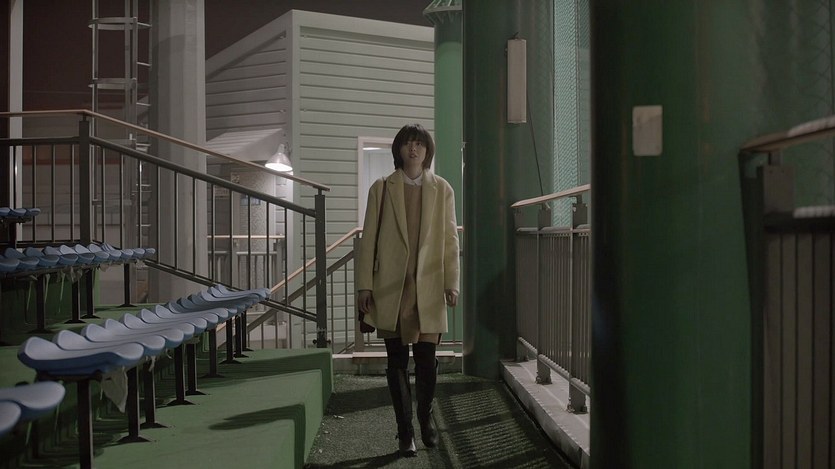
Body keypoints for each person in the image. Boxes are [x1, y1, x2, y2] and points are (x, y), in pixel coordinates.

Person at [356, 123, 460, 457]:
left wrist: (452, 283)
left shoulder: (442, 189)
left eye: (419, 144)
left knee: (427, 360)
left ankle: (425, 419)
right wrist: (364, 286)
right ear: (398, 150)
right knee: (397, 360)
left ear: (427, 151)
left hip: (429, 285)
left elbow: (450, 239)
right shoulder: (381, 188)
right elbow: (368, 240)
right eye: (407, 143)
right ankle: (405, 432)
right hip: (392, 286)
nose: (413, 149)